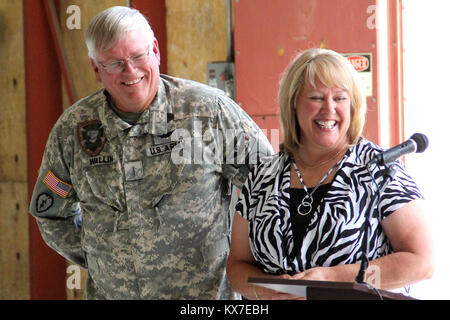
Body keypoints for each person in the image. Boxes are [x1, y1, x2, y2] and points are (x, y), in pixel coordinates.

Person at [29, 6, 273, 299]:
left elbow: (271, 188)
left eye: (137, 56)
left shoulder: (208, 113)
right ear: (96, 69)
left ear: (155, 51)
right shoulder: (73, 132)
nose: (130, 71)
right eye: (115, 63)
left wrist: (246, 262)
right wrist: (103, 257)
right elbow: (51, 211)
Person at [226, 48, 434, 300]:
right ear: (293, 103)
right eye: (315, 98)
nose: (329, 109)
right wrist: (269, 290)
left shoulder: (380, 168)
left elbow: (422, 262)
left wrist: (334, 277)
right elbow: (237, 266)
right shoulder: (261, 176)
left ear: (353, 105)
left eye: (340, 98)